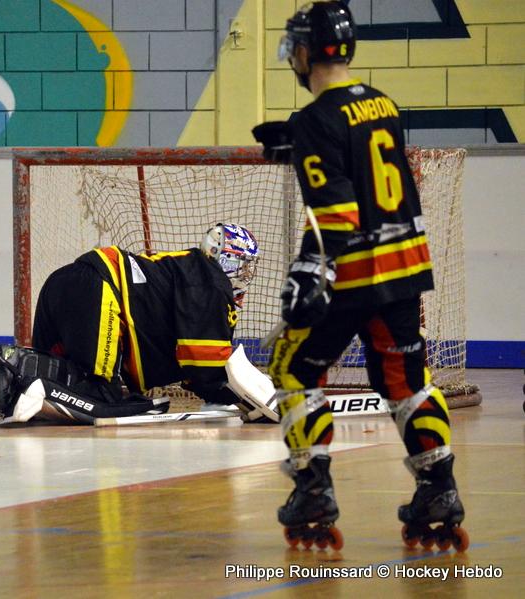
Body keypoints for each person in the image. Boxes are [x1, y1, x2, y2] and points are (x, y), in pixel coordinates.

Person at [253, 1, 467, 551]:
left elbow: (338, 211)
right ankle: (437, 488)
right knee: (406, 382)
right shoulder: (383, 104)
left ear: (302, 53)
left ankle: (313, 488)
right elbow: (366, 165)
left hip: (353, 273)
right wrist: (300, 145)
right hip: (406, 267)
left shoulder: (314, 121)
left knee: (291, 366)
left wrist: (309, 271)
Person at [0, 223, 277, 425]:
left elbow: (188, 364)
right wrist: (250, 401)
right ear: (224, 259)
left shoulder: (187, 269)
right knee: (99, 394)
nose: (245, 274)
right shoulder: (211, 282)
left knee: (56, 372)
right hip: (97, 290)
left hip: (65, 285)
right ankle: (15, 384)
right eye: (241, 263)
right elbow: (204, 367)